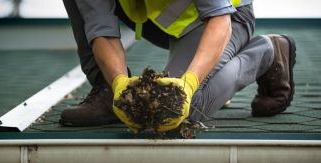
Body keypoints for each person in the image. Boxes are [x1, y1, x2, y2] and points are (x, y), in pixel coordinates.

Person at [60, 0, 296, 133]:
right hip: (166, 23)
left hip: (228, 16)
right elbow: (102, 32)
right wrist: (119, 84)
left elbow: (219, 20)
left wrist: (189, 83)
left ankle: (267, 51)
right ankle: (106, 91)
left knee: (173, 110)